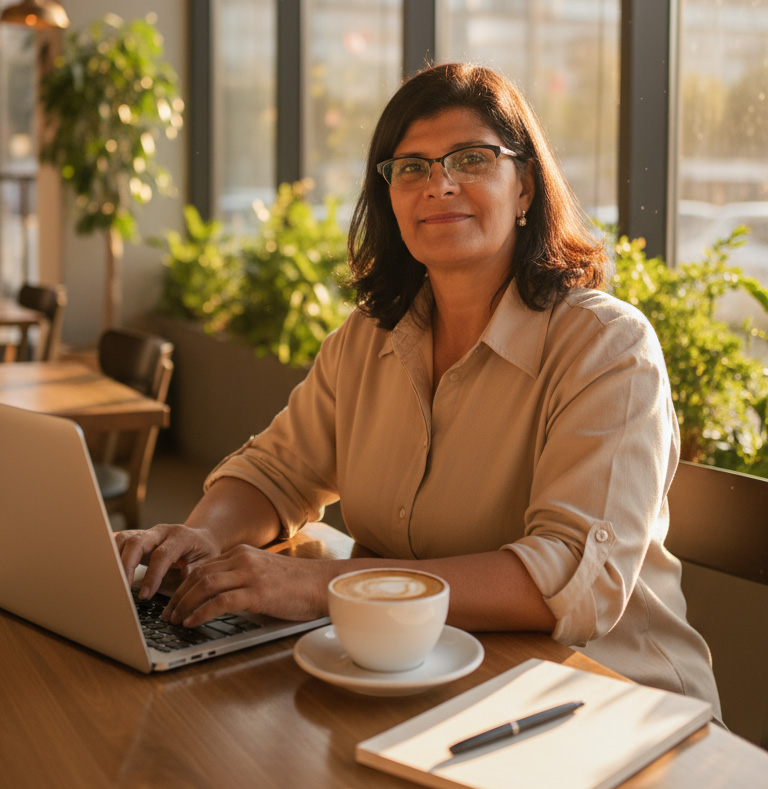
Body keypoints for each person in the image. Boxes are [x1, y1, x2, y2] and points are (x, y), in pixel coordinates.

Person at [116, 63, 720, 716]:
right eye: (411, 167)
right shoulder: (368, 338)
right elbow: (277, 472)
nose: (440, 184)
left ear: (525, 189)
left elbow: (568, 574)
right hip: (432, 682)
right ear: (391, 198)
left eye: (471, 158)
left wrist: (322, 585)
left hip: (612, 705)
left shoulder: (606, 347)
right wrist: (202, 538)